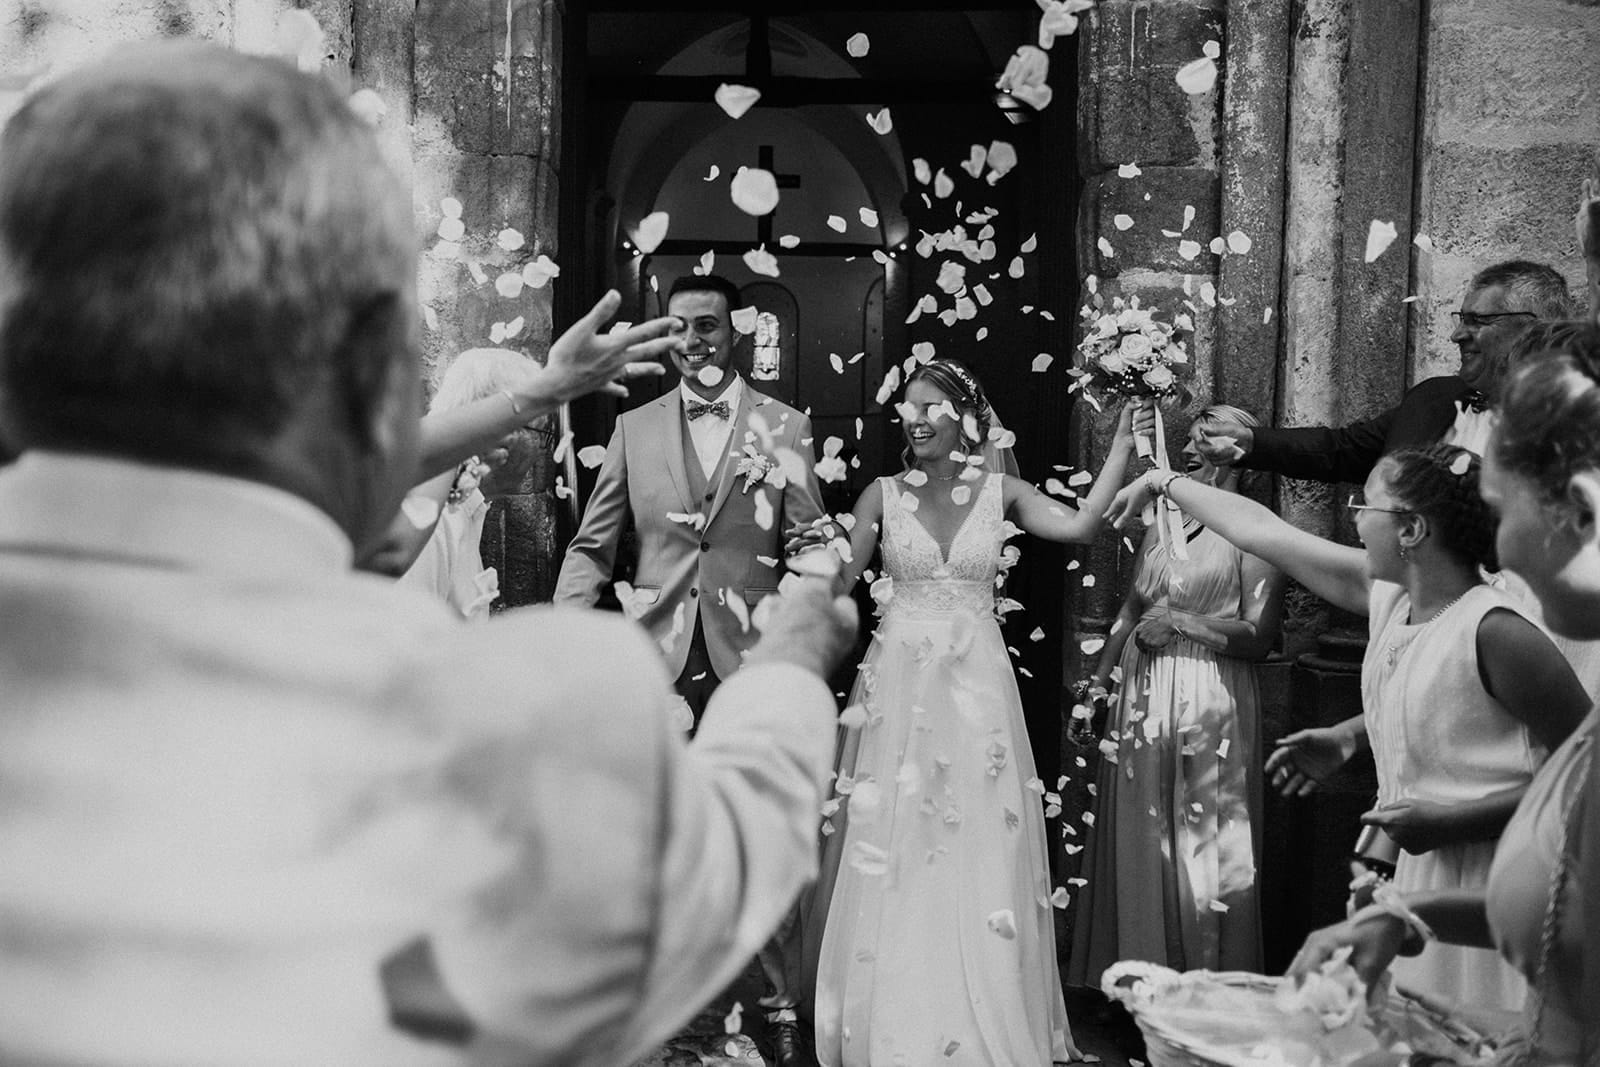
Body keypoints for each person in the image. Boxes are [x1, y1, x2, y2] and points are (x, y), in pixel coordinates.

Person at [0, 41, 859, 1067]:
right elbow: (710, 872)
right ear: (372, 370)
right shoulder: (522, 729)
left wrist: (532, 395)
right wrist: (793, 665)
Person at [1107, 444, 1588, 1017]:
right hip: (1417, 873)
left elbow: (1587, 771)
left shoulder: (1500, 632)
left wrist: (1459, 818)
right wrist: (1350, 736)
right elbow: (1263, 532)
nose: (1355, 517)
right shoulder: (1391, 599)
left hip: (1501, 881)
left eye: (1368, 504)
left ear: (1411, 530)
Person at [803, 358, 1141, 1067]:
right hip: (897, 687)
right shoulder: (882, 494)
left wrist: (1117, 450)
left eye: (931, 406)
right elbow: (837, 574)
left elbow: (1080, 526)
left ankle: (982, 1003)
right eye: (908, 407)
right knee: (896, 836)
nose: (916, 418)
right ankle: (895, 1011)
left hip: (979, 693)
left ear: (966, 415)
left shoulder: (1003, 490)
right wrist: (797, 519)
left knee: (982, 835)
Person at [1288, 326, 1600, 1064]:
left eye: (1502, 506)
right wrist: (1405, 917)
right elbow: (1574, 928)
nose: (1502, 550)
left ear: (1579, 507)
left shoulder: (1500, 630)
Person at [554, 272, 826, 1065]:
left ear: (734, 331)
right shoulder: (634, 428)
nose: (692, 343)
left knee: (766, 822)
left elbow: (808, 535)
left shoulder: (787, 425)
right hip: (658, 658)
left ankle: (776, 1001)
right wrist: (566, 634)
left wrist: (812, 601)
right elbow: (592, 545)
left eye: (706, 327)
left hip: (754, 652)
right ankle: (668, 998)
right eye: (677, 330)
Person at [1067, 404, 1286, 985]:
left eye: (1207, 441)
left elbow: (1259, 638)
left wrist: (1184, 624)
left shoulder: (1255, 527)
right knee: (1143, 831)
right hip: (1142, 690)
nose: (1191, 451)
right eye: (1186, 441)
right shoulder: (1163, 524)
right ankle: (1138, 977)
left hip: (1207, 690)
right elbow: (1133, 608)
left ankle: (1201, 981)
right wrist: (1095, 687)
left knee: (1201, 836)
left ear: (1239, 452)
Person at [1194, 260, 1576, 481]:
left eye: (1478, 321)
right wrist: (1250, 442)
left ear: (1533, 327)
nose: (1458, 334)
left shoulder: (1578, 426)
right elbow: (1341, 450)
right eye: (1461, 319)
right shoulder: (1435, 399)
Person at [397, 348, 546, 621]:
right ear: (504, 431)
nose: (541, 451)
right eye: (541, 432)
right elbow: (408, 639)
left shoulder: (466, 508)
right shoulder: (435, 518)